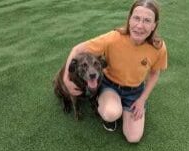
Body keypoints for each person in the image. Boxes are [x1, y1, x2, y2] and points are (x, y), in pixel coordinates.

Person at [63, 0, 167, 143]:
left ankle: (125, 109)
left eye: (147, 20)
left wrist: (141, 100)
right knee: (111, 113)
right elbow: (77, 49)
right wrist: (66, 80)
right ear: (129, 19)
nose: (139, 25)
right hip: (110, 85)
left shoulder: (158, 48)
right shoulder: (113, 37)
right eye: (136, 18)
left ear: (154, 25)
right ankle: (112, 108)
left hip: (135, 91)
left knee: (133, 138)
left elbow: (155, 73)